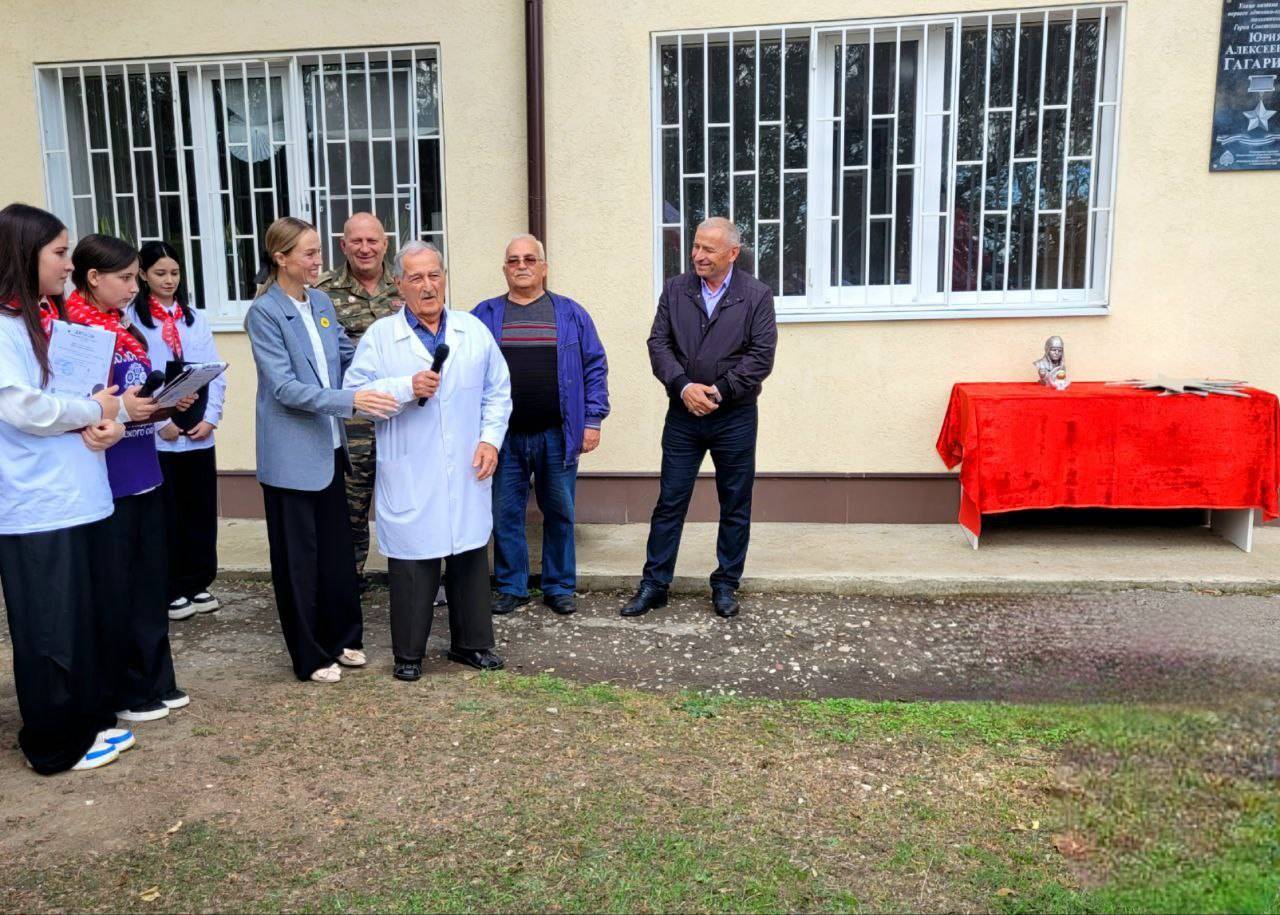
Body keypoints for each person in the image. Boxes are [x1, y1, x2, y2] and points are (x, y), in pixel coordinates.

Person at [0, 203, 133, 773]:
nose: (68, 264)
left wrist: (107, 424)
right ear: (22, 254)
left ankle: (88, 718)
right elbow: (23, 406)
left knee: (84, 621)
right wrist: (93, 409)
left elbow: (76, 397)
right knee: (50, 630)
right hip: (37, 505)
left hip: (79, 496)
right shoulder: (4, 327)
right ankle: (55, 742)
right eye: (58, 253)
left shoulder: (45, 322)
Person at [344, 241, 511, 681]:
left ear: (445, 278)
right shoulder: (382, 337)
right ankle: (409, 654)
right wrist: (406, 387)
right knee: (414, 563)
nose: (427, 286)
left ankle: (471, 645)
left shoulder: (473, 330)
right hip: (411, 469)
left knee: (469, 556)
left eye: (434, 275)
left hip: (467, 465)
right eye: (416, 278)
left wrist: (490, 441)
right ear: (399, 284)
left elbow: (498, 391)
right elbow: (356, 394)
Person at [245, 217, 398, 683]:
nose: (319, 261)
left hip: (330, 449)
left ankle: (344, 638)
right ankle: (309, 655)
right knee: (299, 562)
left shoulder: (321, 302)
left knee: (335, 554)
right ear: (281, 257)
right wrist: (352, 400)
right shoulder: (265, 313)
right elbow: (285, 388)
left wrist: (396, 375)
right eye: (309, 253)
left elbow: (348, 359)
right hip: (292, 457)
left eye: (317, 251)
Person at [622, 217, 777, 620]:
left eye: (709, 249)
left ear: (732, 253)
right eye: (695, 246)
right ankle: (655, 584)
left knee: (735, 503)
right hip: (683, 415)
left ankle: (725, 584)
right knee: (670, 501)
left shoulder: (756, 295)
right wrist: (683, 386)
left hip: (735, 417)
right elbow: (658, 343)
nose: (698, 255)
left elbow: (761, 356)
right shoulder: (676, 289)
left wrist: (719, 391)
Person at [65, 234, 192, 723]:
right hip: (107, 477)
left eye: (135, 277)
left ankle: (157, 678)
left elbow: (135, 396)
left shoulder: (124, 327)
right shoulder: (72, 329)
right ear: (93, 278)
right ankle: (127, 688)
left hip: (144, 468)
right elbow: (77, 407)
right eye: (124, 278)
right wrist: (124, 410)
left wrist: (166, 403)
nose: (134, 287)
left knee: (149, 583)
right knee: (115, 589)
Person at [472, 234, 609, 617]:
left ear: (544, 267)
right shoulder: (483, 315)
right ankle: (511, 586)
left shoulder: (570, 314)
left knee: (560, 512)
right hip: (503, 437)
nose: (521, 266)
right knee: (505, 513)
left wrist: (593, 419)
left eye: (529, 259)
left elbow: (595, 366)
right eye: (513, 260)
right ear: (504, 269)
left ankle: (559, 586)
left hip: (557, 434)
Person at [129, 241, 227, 620]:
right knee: (167, 512)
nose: (169, 280)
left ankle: (198, 580)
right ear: (143, 274)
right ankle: (171, 586)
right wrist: (161, 422)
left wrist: (211, 417)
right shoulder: (133, 320)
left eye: (174, 273)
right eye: (160, 273)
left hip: (198, 426)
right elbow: (139, 376)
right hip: (161, 431)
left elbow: (213, 369)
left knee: (199, 509)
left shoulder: (194, 318)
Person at [314, 213, 402, 588]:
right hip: (353, 421)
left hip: (403, 416)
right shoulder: (322, 293)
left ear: (385, 243)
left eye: (372, 241)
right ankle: (348, 585)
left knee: (407, 502)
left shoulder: (406, 286)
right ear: (343, 245)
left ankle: (413, 581)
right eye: (357, 241)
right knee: (350, 507)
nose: (365, 248)